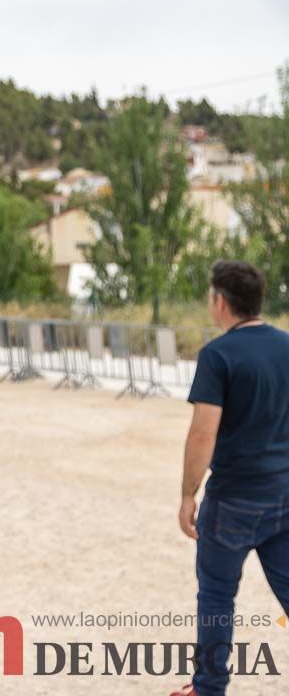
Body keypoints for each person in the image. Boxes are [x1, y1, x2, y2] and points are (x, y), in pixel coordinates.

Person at [174, 261, 289, 696]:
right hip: (283, 493)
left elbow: (203, 432)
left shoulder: (218, 355)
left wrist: (188, 494)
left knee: (217, 601)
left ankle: (209, 688)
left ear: (220, 301)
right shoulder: (287, 346)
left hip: (233, 501)